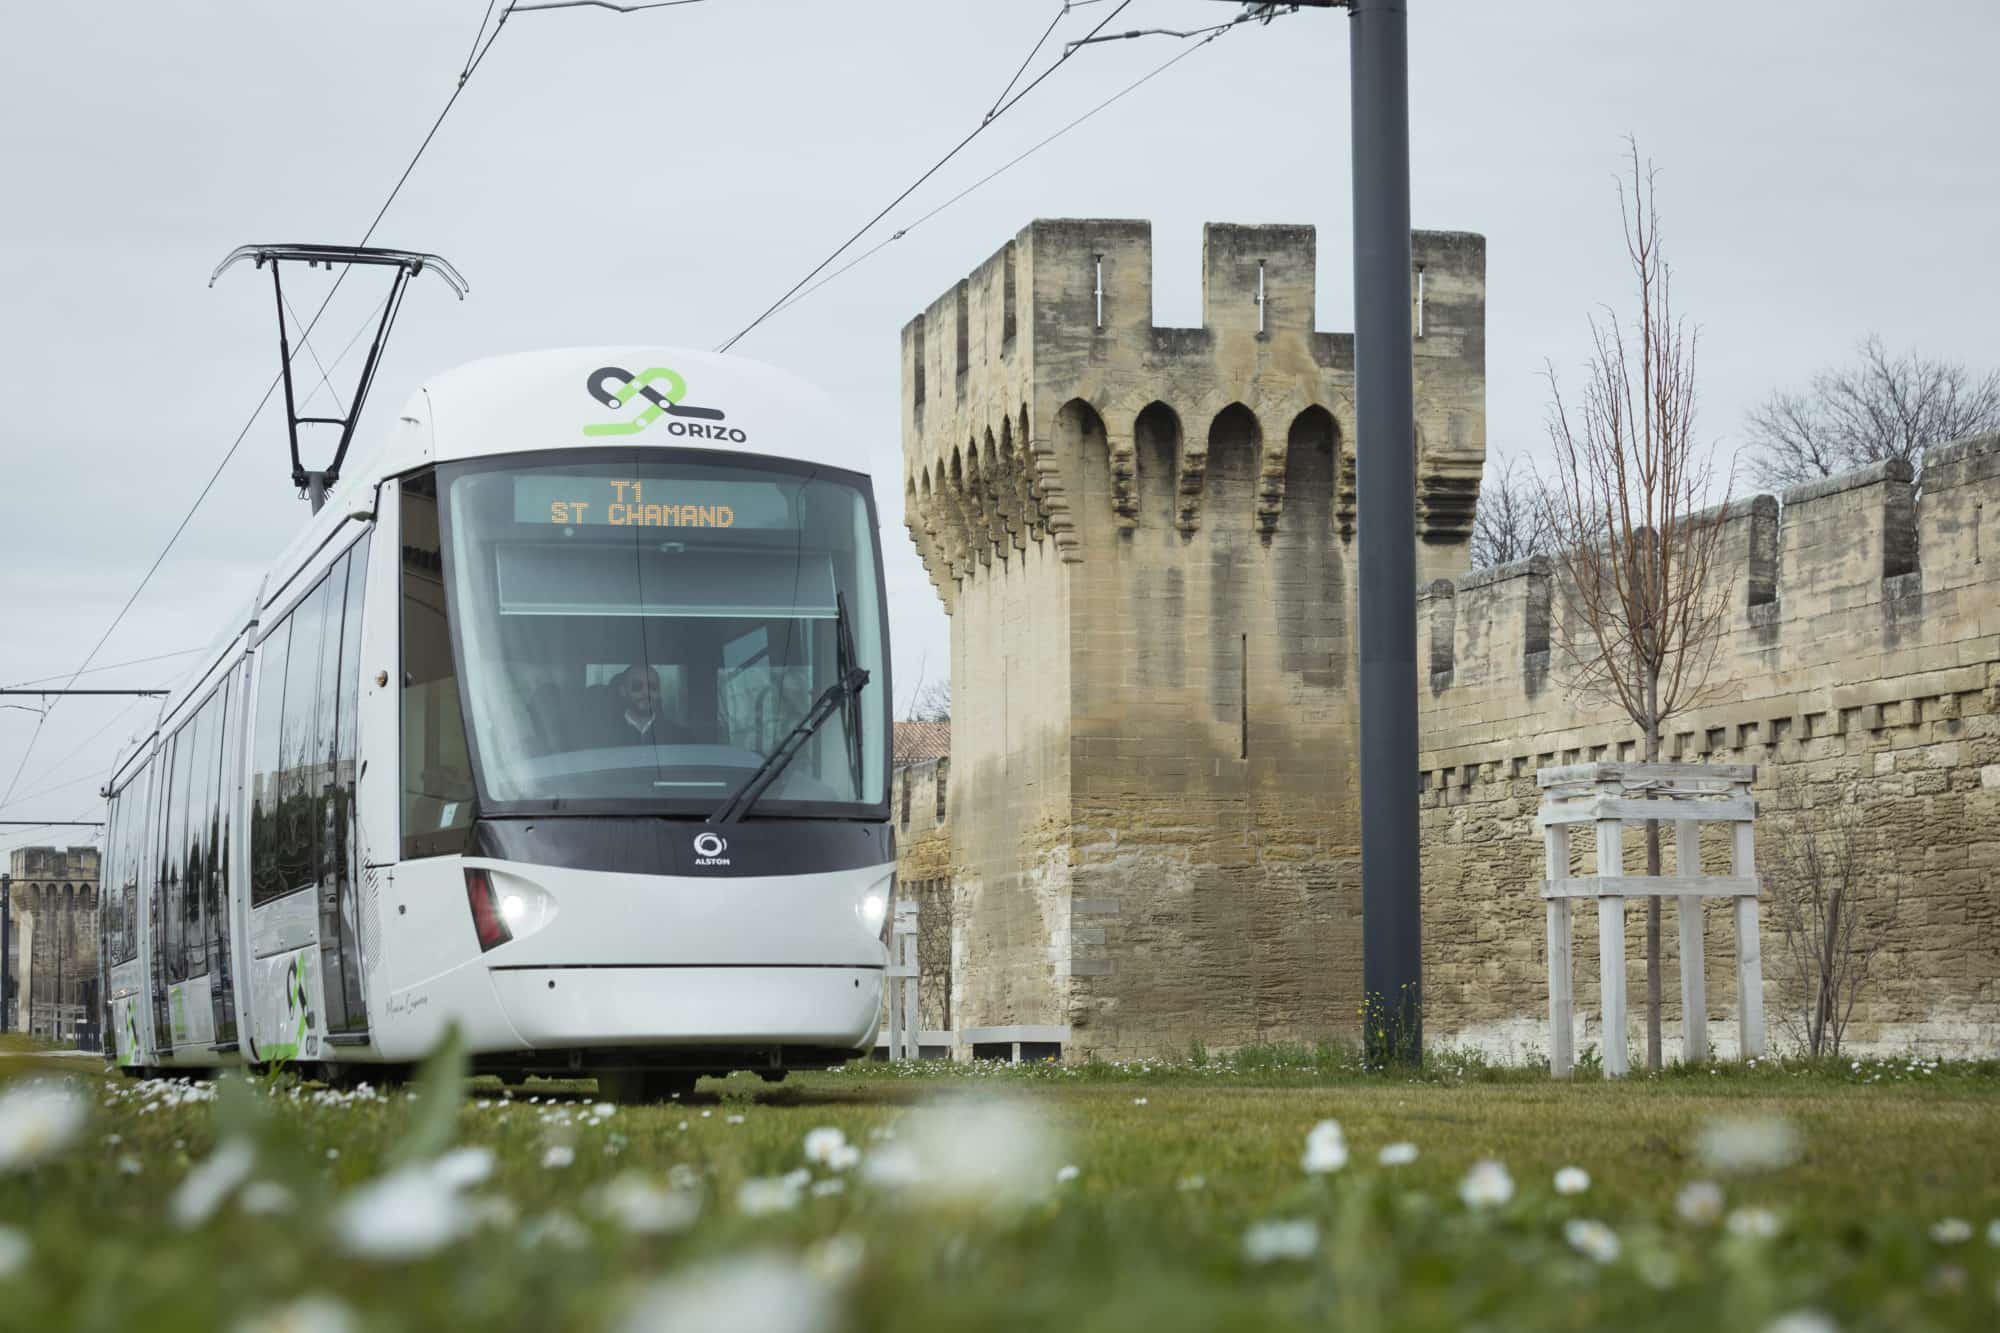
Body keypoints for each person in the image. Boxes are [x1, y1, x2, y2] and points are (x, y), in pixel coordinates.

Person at [587, 664, 693, 748]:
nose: (646, 692)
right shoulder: (601, 737)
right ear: (623, 691)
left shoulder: (681, 737)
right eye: (637, 686)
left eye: (653, 687)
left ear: (659, 692)